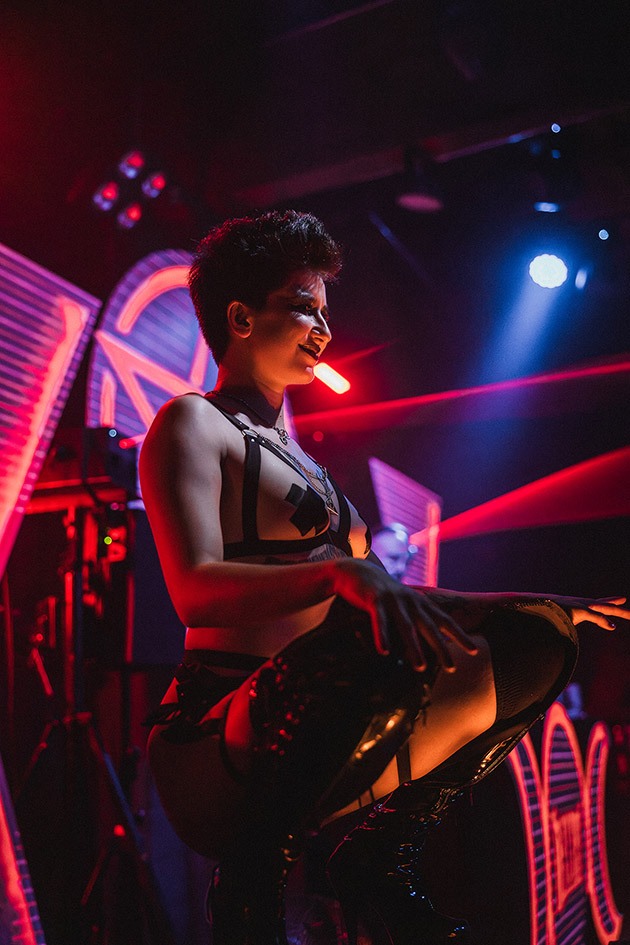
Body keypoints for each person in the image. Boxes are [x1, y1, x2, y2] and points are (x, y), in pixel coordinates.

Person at [139, 210, 627, 945]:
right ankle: (249, 881)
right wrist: (337, 579)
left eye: (324, 311)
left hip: (329, 717)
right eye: (303, 306)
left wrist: (533, 603)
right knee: (364, 647)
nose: (324, 330)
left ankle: (378, 855)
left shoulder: (310, 465)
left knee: (539, 640)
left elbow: (392, 598)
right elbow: (194, 589)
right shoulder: (191, 422)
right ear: (240, 318)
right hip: (218, 735)